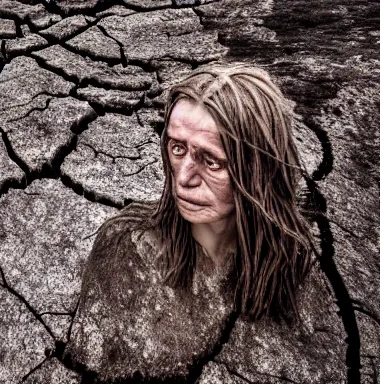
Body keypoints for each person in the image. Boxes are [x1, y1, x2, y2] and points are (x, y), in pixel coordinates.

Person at [64, 63, 346, 382]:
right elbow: (87, 367)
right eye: (177, 148)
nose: (183, 178)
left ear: (259, 171)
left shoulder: (291, 265)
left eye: (211, 161)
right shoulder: (126, 248)